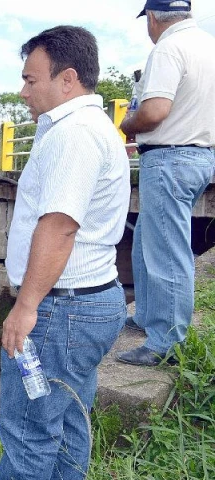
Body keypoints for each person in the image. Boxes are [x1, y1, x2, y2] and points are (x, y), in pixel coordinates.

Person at [0, 26, 130, 480]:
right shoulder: (90, 128)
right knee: (68, 425)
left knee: (29, 434)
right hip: (85, 303)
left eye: (31, 80)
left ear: (67, 79)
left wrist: (26, 306)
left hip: (60, 311)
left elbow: (59, 227)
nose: (22, 91)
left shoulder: (74, 135)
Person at [117, 0, 215, 367]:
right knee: (147, 240)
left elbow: (155, 111)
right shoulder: (207, 45)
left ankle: (167, 343)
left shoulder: (168, 48)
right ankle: (147, 317)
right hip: (200, 156)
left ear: (153, 18)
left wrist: (128, 124)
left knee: (167, 252)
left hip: (171, 158)